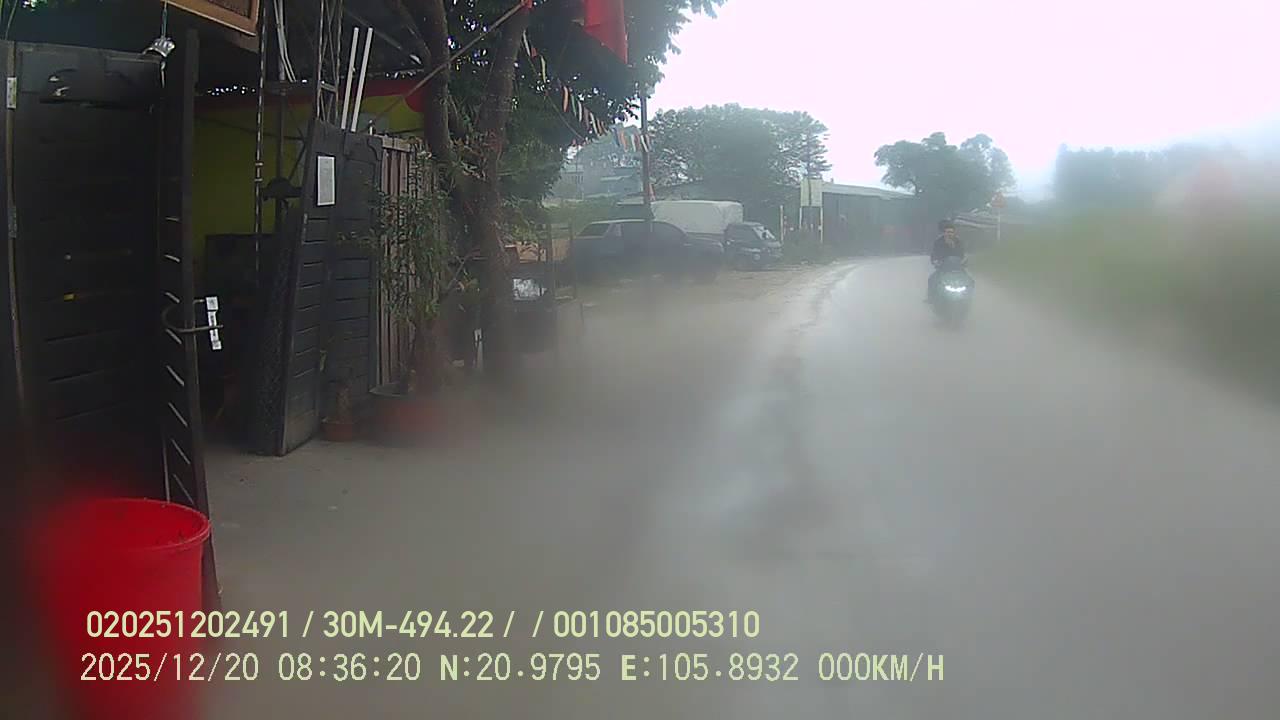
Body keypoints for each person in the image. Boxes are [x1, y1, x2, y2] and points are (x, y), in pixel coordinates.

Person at [927, 220, 965, 302]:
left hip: (957, 268)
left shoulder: (958, 241)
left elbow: (962, 255)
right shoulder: (938, 241)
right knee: (931, 279)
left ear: (954, 233)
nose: (949, 234)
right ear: (944, 233)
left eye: (951, 232)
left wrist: (953, 247)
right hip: (943, 267)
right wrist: (935, 261)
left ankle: (967, 297)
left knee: (970, 281)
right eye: (947, 232)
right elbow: (934, 254)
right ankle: (931, 297)